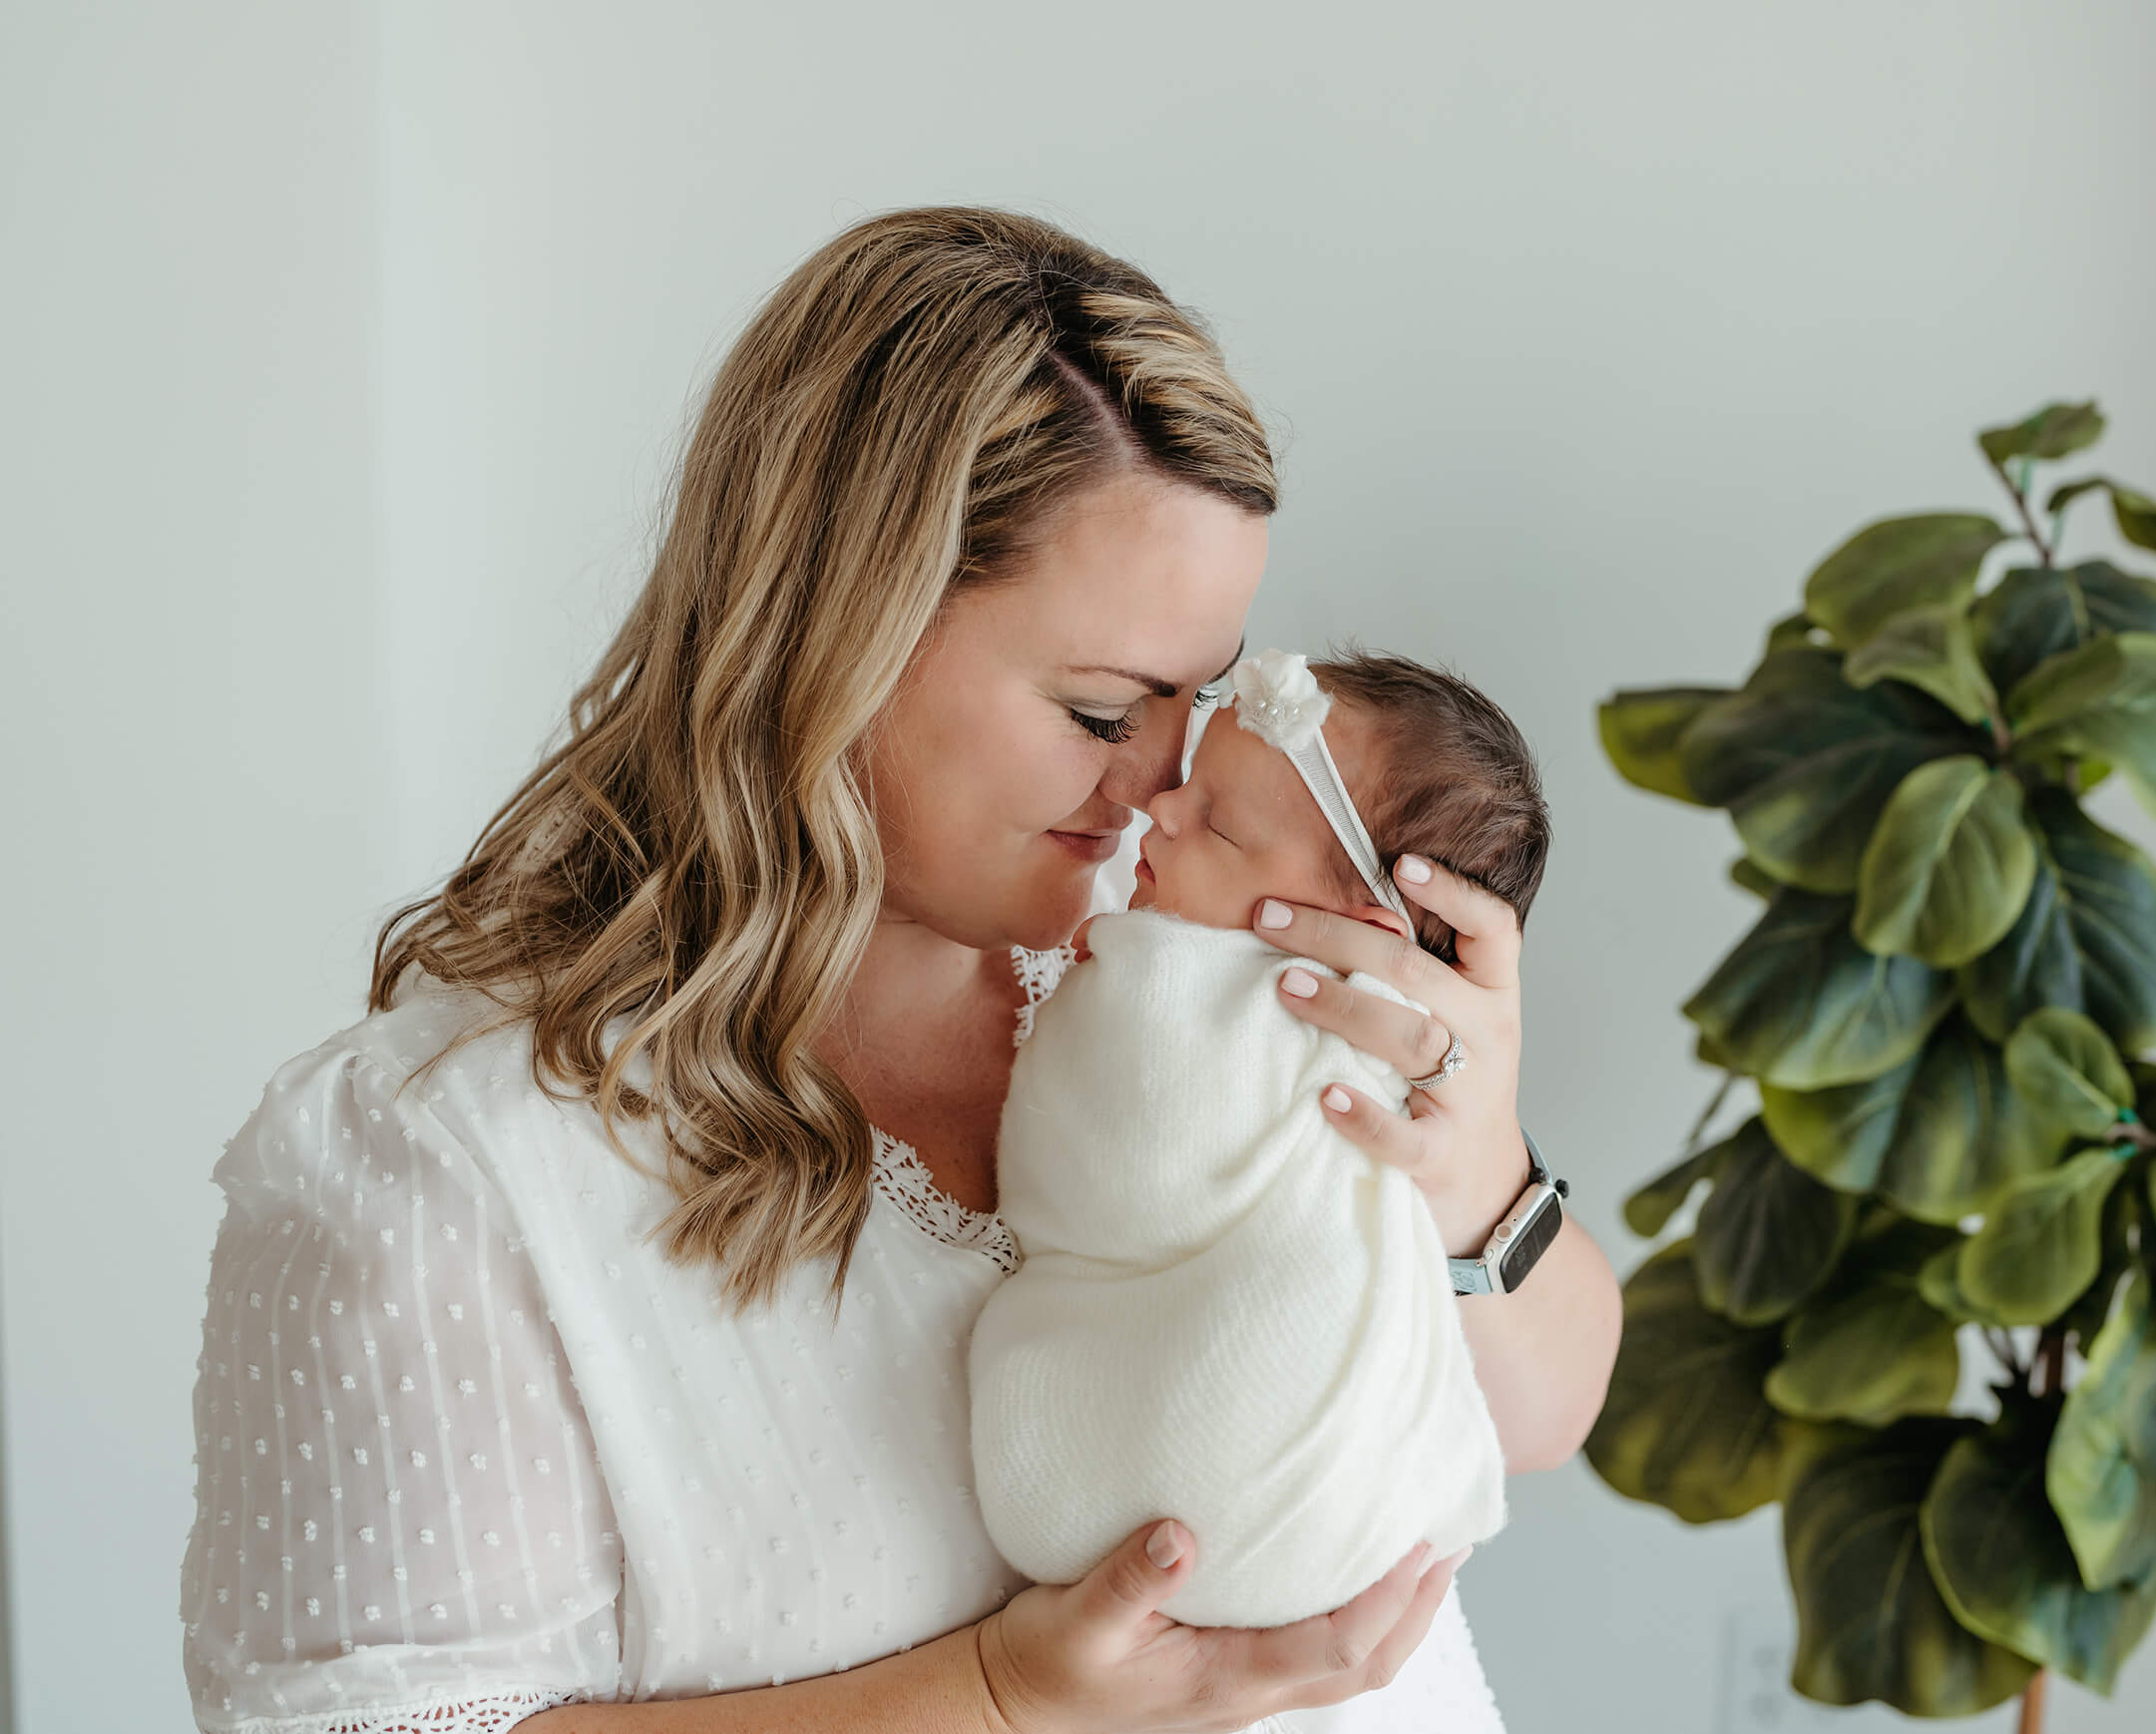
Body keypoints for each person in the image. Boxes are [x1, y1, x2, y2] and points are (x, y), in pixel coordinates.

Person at [179, 206, 1622, 1734]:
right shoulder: (449, 1166)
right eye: (1096, 708)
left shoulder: (1205, 961)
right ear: (833, 629)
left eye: (1197, 701)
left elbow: (1539, 1417)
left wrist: (1478, 1179)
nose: (1161, 780)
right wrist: (997, 1700)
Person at [972, 650, 1543, 1628]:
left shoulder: (1374, 1034)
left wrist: (1485, 1165)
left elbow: (1555, 1406)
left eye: (1219, 823)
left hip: (1251, 1477)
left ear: (1355, 930)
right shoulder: (1159, 941)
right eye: (1193, 784)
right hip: (1338, 1521)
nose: (1161, 809)